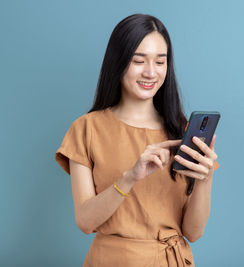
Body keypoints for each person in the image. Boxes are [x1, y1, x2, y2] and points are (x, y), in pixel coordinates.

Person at [55, 14, 220, 267]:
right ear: (118, 62)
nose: (151, 72)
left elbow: (194, 233)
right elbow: (86, 222)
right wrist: (129, 177)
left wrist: (205, 179)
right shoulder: (86, 129)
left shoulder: (182, 131)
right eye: (138, 60)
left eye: (160, 61)